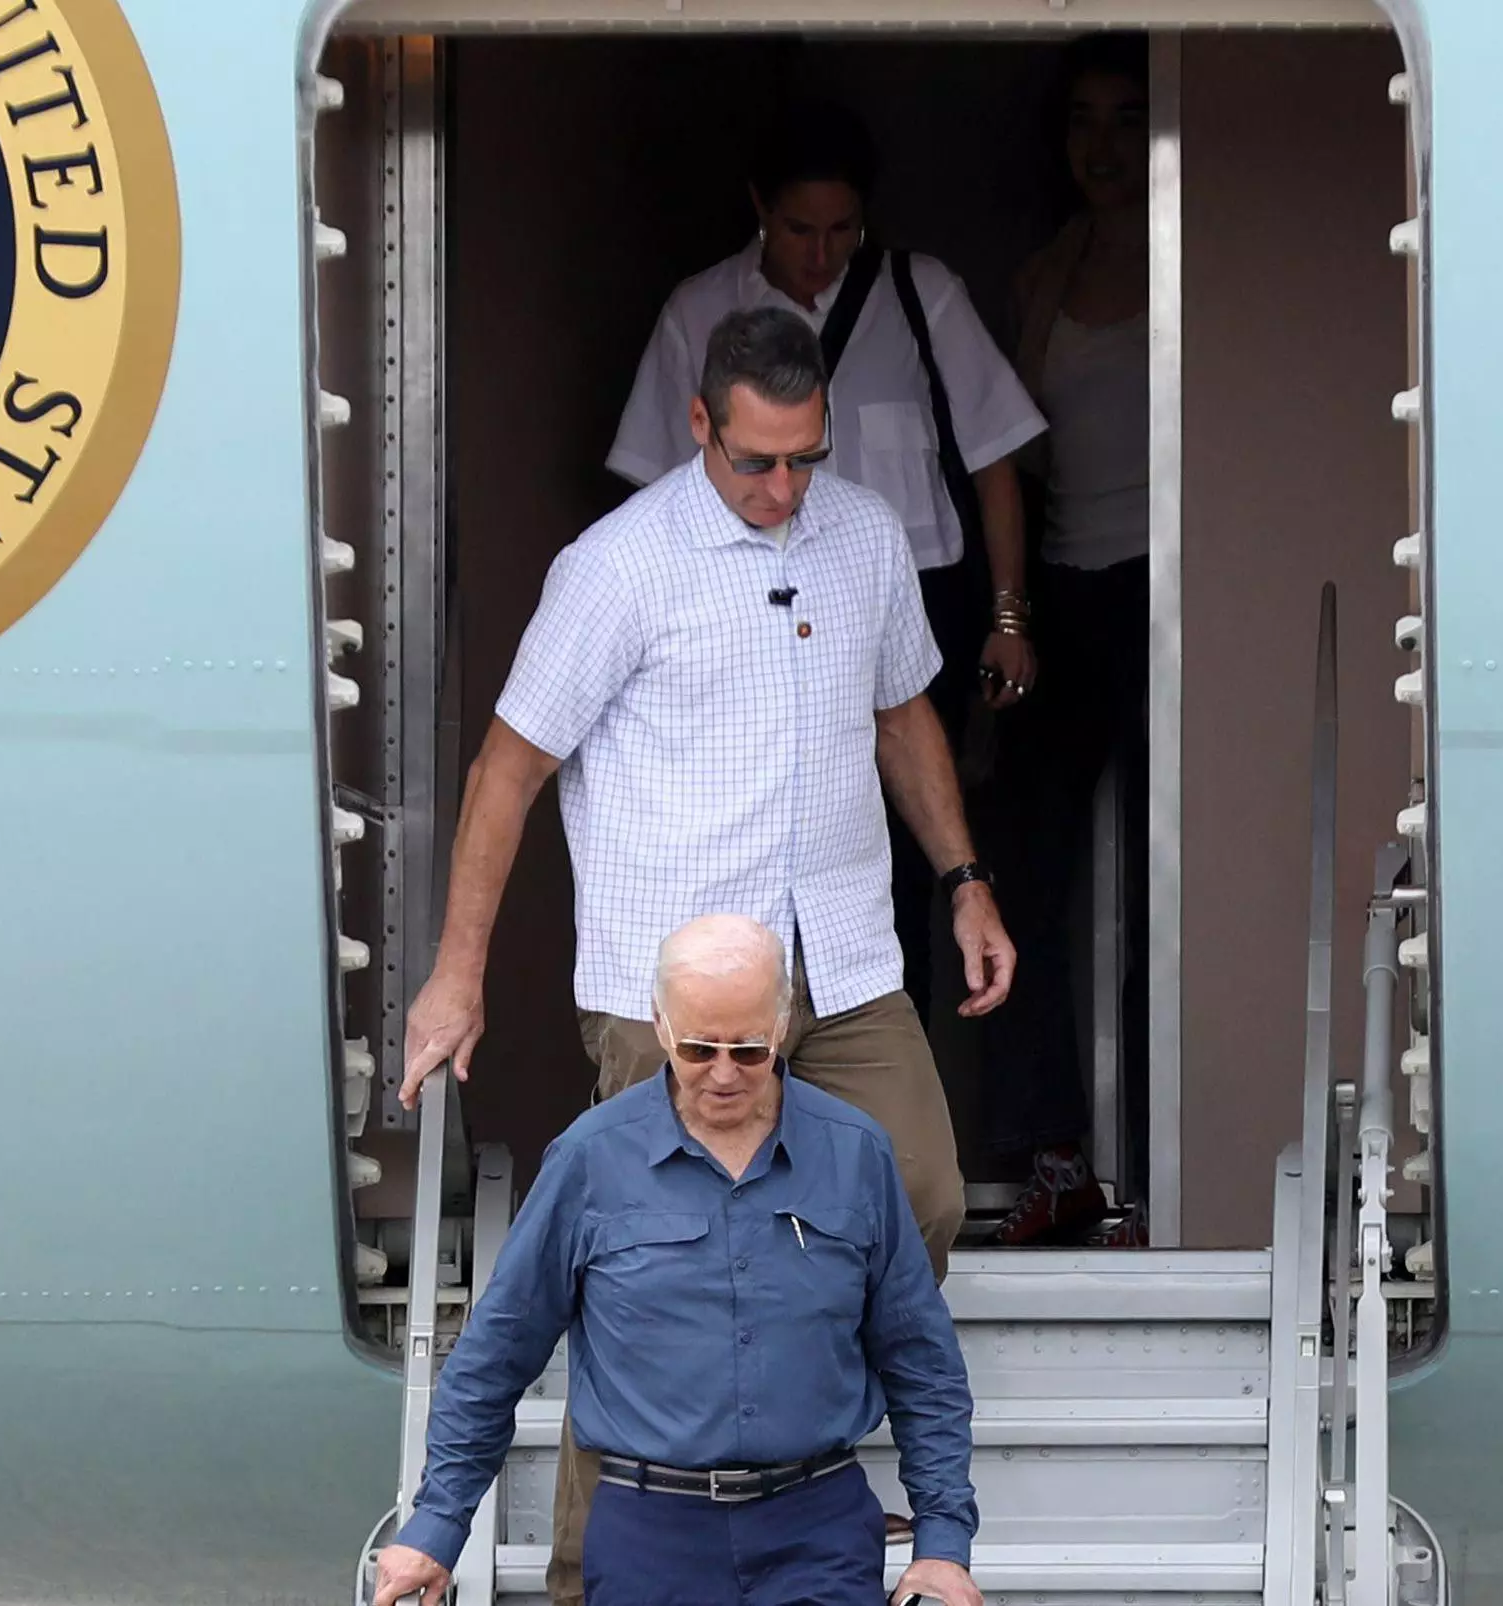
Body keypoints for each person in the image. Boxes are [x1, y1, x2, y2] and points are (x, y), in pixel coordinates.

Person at [399, 304, 1013, 1603]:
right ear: (699, 426)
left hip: (839, 954)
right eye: (756, 462)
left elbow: (903, 719)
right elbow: (506, 774)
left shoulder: (867, 540)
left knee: (924, 1186)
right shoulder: (618, 565)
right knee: (633, 1279)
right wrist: (456, 975)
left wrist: (963, 880)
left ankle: (797, 1461)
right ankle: (589, 1572)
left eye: (805, 457)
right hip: (667, 989)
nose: (785, 487)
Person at [373, 915, 982, 1606]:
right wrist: (436, 1526)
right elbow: (496, 1353)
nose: (723, 1074)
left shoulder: (855, 1153)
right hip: (649, 1535)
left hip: (818, 1530)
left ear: (780, 1024)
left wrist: (942, 1541)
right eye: (698, 1048)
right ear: (659, 1026)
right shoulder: (589, 1159)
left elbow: (920, 1360)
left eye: (748, 1049)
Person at [605, 104, 1048, 1031]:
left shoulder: (920, 293)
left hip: (906, 599)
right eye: (799, 229)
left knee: (900, 861)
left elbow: (993, 455)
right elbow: (644, 494)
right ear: (758, 206)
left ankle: (883, 1073)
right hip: (734, 595)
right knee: (753, 850)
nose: (820, 253)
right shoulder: (698, 310)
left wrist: (1008, 615)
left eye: (841, 229)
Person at [980, 33, 1153, 1247]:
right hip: (1062, 578)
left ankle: (1156, 1153)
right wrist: (1015, 609)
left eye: (1124, 116)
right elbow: (1017, 451)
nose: (1101, 143)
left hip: (1173, 585)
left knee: (1161, 874)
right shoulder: (1044, 271)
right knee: (1021, 867)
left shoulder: (1202, 252)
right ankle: (1052, 1158)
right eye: (1081, 118)